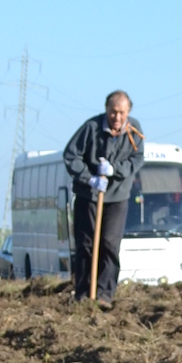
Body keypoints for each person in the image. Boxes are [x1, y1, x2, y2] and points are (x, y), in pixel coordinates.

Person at [62, 91, 142, 306]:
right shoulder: (91, 128)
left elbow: (137, 159)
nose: (117, 117)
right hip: (88, 195)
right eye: (113, 112)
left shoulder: (134, 131)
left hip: (117, 197)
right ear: (106, 109)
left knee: (109, 244)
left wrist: (114, 169)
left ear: (128, 111)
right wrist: (89, 178)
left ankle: (105, 294)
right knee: (86, 245)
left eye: (122, 113)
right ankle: (83, 293)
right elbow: (70, 155)